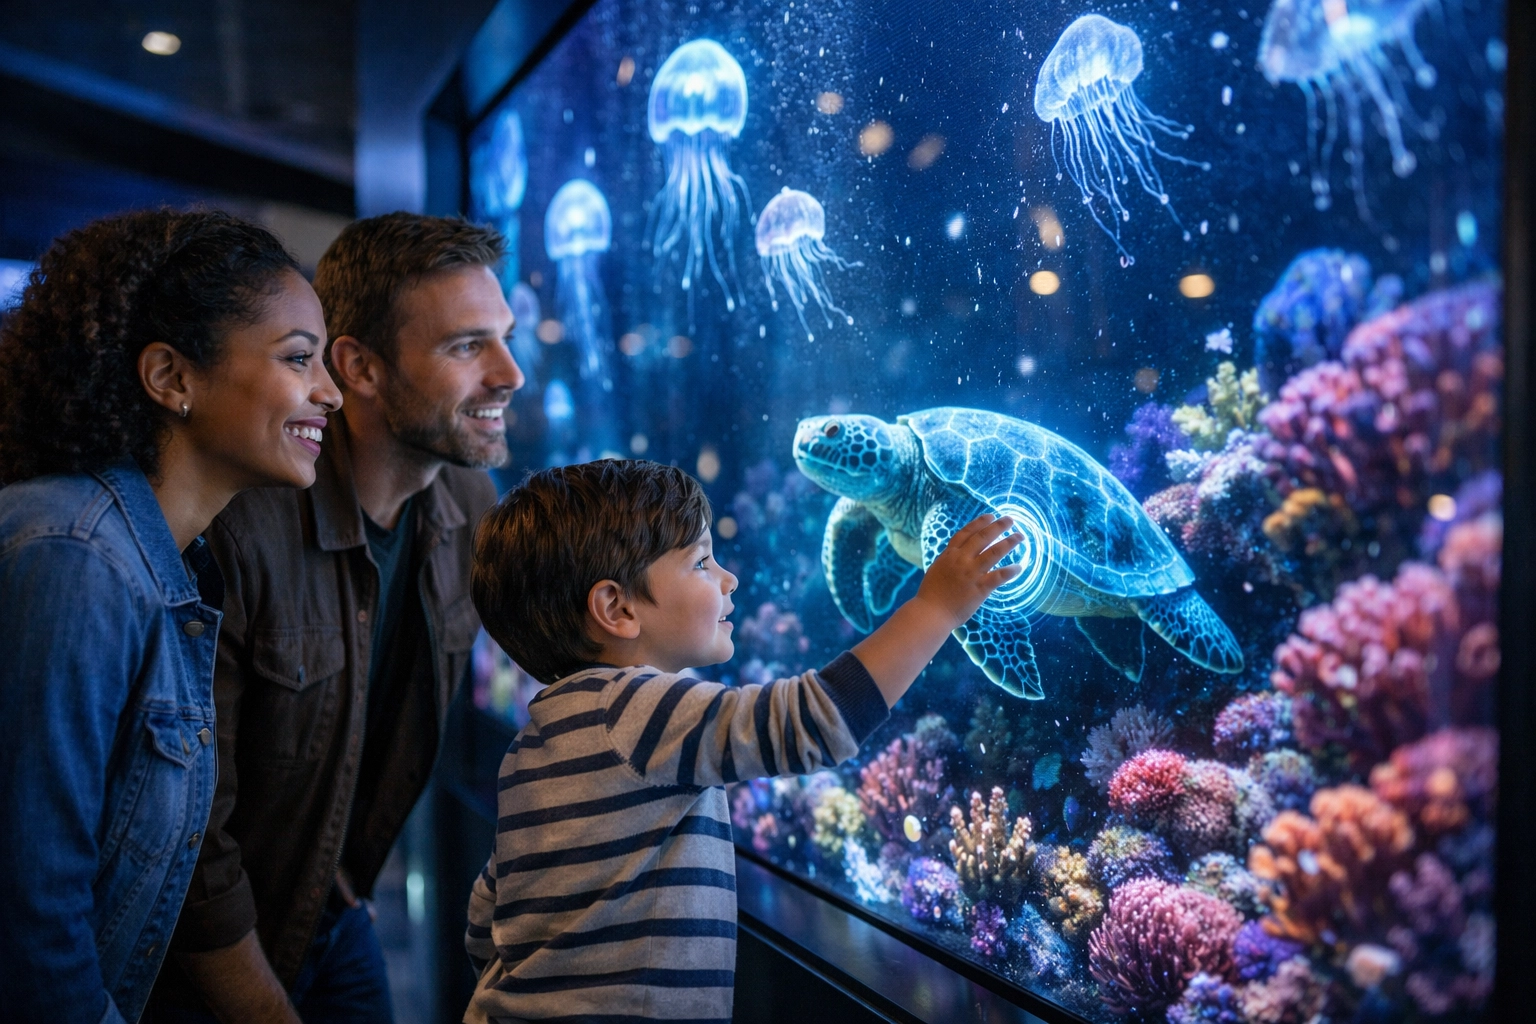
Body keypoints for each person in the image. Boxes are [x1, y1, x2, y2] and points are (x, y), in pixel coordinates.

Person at [462, 459, 1022, 1022]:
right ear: (617, 608)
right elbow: (813, 720)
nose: (728, 579)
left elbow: (491, 913)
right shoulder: (633, 711)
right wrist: (937, 607)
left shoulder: (537, 740)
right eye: (702, 562)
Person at [145, 213, 522, 1024]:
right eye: (467, 346)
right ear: (358, 368)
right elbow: (190, 844)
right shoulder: (242, 528)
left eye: (506, 337)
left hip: (334, 913)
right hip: (207, 956)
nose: (510, 373)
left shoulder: (467, 501)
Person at [0, 209, 342, 1024]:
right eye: (299, 359)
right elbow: (31, 920)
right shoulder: (75, 555)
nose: (329, 392)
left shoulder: (161, 561)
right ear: (171, 378)